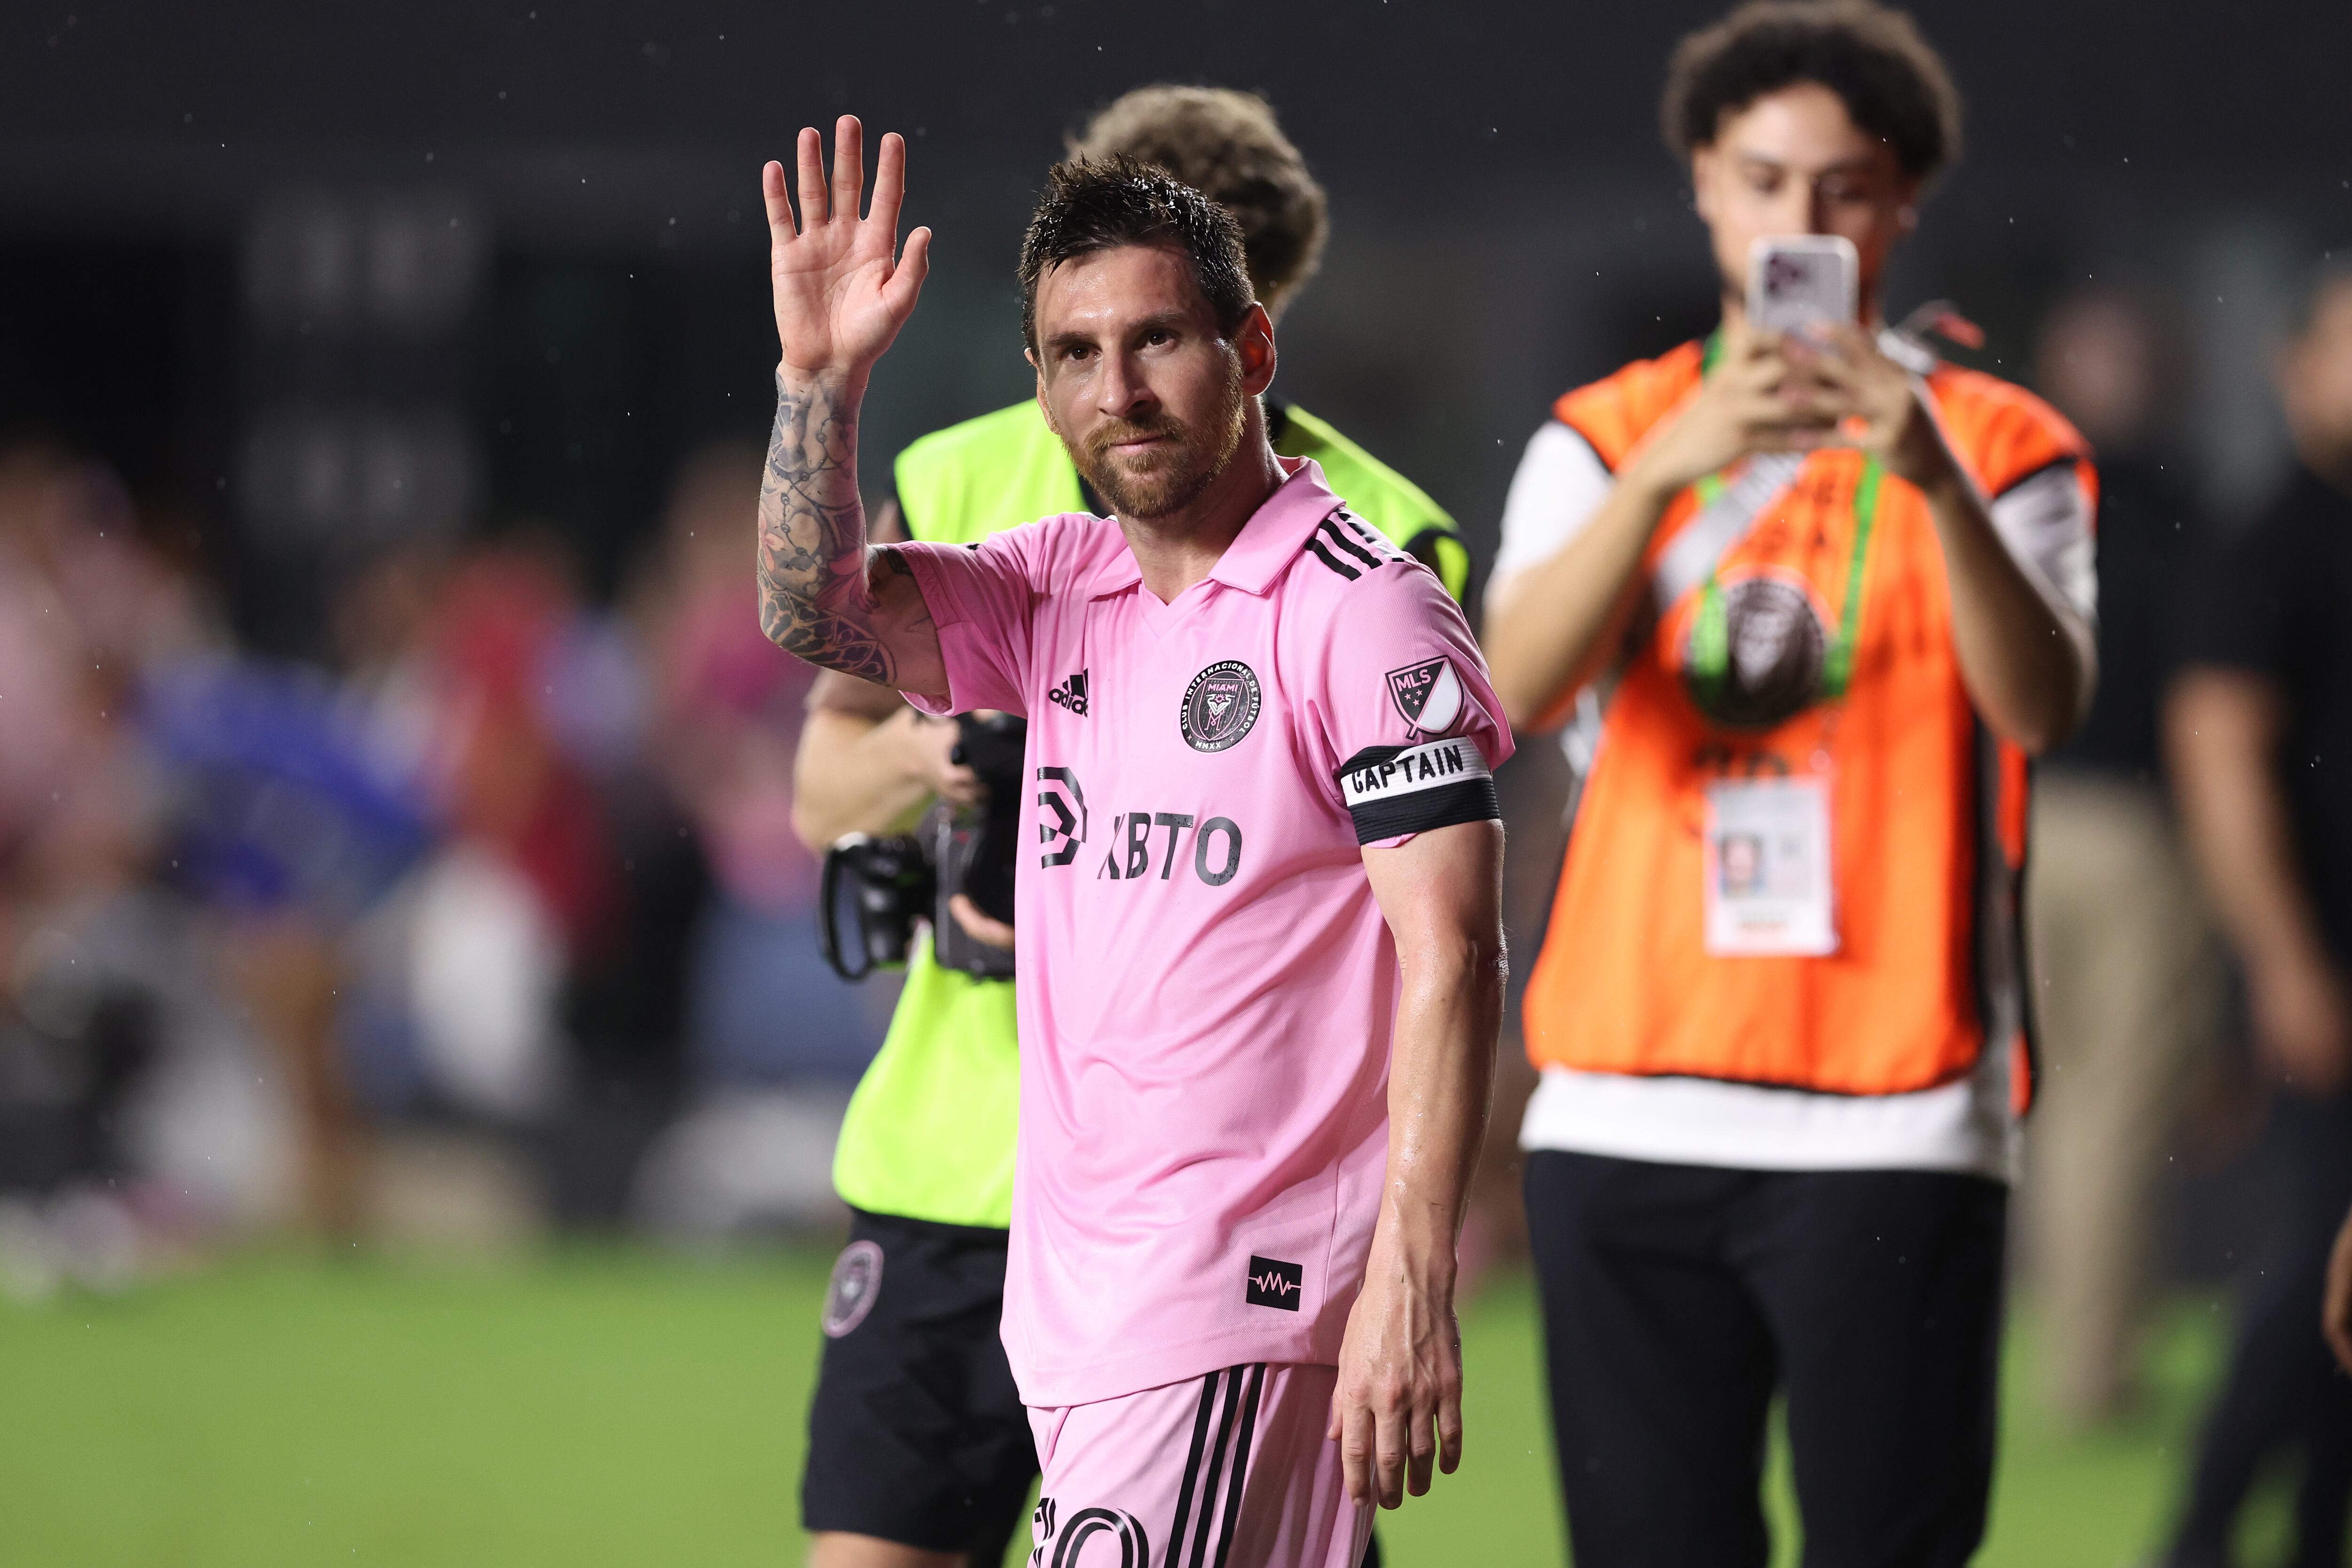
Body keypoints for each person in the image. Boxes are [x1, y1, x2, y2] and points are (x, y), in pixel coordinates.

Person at [758, 123, 1507, 1567]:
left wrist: (1413, 1272)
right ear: (1039, 386)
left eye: (1158, 338)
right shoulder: (1058, 584)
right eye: (1077, 353)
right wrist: (818, 384)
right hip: (1079, 1295)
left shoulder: (1366, 608)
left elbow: (1456, 952)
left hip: (1235, 1287)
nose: (1121, 388)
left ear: (1254, 350)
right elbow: (819, 614)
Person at [1481, 4, 2099, 1563]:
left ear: (1902, 203)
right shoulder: (1605, 435)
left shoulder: (2007, 443)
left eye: (1843, 188)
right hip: (1629, 1102)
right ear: (1703, 181)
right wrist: (1673, 467)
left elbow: (2040, 706)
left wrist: (1933, 479)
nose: (1799, 223)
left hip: (1895, 1112)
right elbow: (1509, 689)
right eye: (1763, 181)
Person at [2160, 263, 2352, 1568]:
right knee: (2313, 1271)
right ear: (2297, 368)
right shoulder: (2274, 537)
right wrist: (2286, 962)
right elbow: (2218, 757)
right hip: (2326, 966)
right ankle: (2200, 1533)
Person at [2023, 290, 2220, 1428]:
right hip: (2127, 820)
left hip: (2024, 816)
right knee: (2112, 1105)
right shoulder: (2167, 503)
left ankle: (2078, 1347)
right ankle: (2090, 1367)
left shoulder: (2015, 491)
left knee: (2053, 1104)